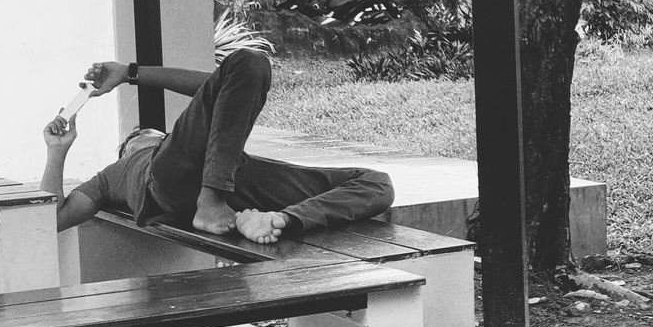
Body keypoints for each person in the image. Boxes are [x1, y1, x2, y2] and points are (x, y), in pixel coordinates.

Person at [41, 50, 394, 244]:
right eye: (135, 136)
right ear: (129, 148)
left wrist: (131, 72)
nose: (142, 135)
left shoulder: (204, 150)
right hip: (171, 183)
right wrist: (57, 151)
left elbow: (222, 84)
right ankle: (209, 202)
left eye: (146, 132)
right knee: (248, 62)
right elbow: (51, 220)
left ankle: (282, 219)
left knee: (376, 182)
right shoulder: (116, 174)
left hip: (236, 181)